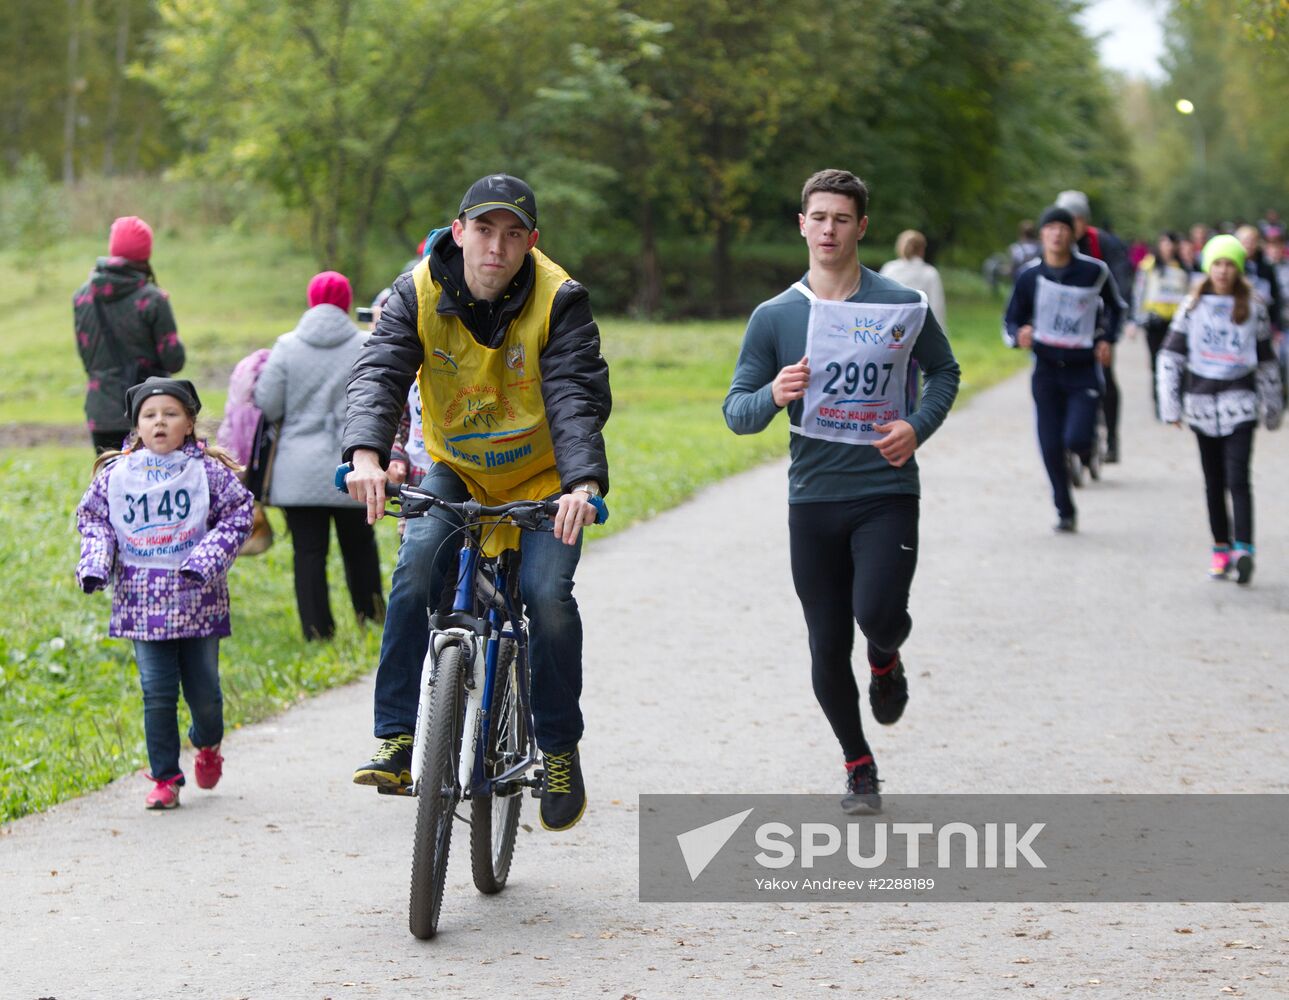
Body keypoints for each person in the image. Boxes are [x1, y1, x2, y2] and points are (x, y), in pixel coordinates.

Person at [342, 173, 611, 832]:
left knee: (547, 599)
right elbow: (378, 372)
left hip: (545, 477)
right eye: (483, 229)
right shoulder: (416, 292)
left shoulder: (560, 299)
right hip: (458, 467)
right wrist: (365, 455)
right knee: (413, 576)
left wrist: (583, 484)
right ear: (457, 231)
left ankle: (555, 747)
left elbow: (576, 393)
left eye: (512, 234)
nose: (496, 246)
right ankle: (399, 738)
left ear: (530, 242)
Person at [724, 168, 960, 814]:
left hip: (884, 490)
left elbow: (943, 372)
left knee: (878, 614)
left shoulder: (900, 306)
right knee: (826, 643)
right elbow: (734, 410)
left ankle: (885, 659)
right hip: (814, 500)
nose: (828, 229)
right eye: (817, 217)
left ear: (862, 227)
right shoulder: (775, 316)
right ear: (801, 224)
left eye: (841, 218)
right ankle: (857, 764)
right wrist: (773, 394)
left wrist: (916, 425)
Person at [75, 378, 253, 809]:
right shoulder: (118, 476)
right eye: (150, 416)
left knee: (205, 695)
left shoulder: (207, 473)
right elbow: (95, 519)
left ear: (189, 423)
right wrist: (96, 562)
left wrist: (206, 560)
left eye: (170, 414)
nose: (160, 423)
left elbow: (240, 512)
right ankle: (165, 778)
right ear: (136, 427)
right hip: (140, 606)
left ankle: (207, 743)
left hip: (197, 602)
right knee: (156, 693)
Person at [254, 271, 384, 641]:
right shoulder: (366, 343)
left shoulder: (287, 346)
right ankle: (371, 619)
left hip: (297, 469)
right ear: (346, 302)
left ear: (311, 301)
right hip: (354, 465)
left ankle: (317, 631)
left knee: (308, 554)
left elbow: (267, 402)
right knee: (360, 548)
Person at [1157, 235, 1282, 584]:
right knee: (1213, 481)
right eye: (1217, 264)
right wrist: (1170, 405)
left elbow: (1266, 361)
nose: (1223, 271)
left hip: (1239, 402)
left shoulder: (1254, 307)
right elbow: (1171, 355)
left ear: (1238, 268)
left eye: (1230, 264)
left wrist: (1273, 407)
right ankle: (1221, 546)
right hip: (1201, 403)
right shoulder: (1192, 307)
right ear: (1208, 268)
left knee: (1238, 478)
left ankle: (1244, 549)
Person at [1003, 205, 1122, 532]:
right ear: (1041, 234)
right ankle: (1064, 509)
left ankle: (1088, 449)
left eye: (1063, 228)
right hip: (1046, 369)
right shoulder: (1029, 275)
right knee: (1050, 445)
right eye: (1050, 228)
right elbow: (1011, 319)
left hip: (1083, 368)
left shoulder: (1094, 271)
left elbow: (1117, 308)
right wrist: (1018, 335)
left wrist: (1108, 339)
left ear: (1073, 234)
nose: (1056, 234)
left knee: (1077, 438)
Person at [73, 216, 186, 454]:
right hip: (148, 414)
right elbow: (174, 361)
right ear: (145, 254)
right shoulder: (152, 299)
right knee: (149, 489)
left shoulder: (82, 297)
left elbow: (87, 358)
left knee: (110, 488)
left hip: (101, 412)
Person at [1055, 191, 1130, 463]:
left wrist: (1113, 327)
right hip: (1063, 326)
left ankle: (1111, 439)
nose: (1066, 227)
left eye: (1073, 220)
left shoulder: (1104, 244)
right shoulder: (1054, 244)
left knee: (1106, 380)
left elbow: (1121, 281)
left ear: (1084, 220)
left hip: (1098, 322)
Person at [1129, 232, 1192, 418]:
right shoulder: (1148, 265)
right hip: (1154, 321)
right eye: (1164, 243)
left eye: (1171, 243)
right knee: (1158, 364)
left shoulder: (1182, 266)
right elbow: (1139, 293)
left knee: (1179, 364)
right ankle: (1160, 404)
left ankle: (1176, 402)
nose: (1168, 248)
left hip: (1176, 323)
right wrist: (1136, 319)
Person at [880, 230, 947, 330]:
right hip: (920, 328)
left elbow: (880, 300)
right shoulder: (930, 273)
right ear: (922, 249)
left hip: (891, 328)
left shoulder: (889, 269)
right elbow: (937, 307)